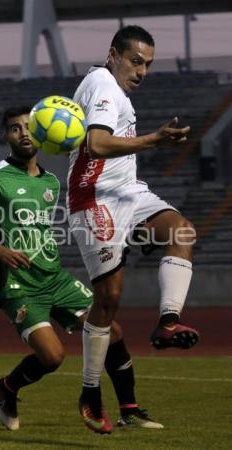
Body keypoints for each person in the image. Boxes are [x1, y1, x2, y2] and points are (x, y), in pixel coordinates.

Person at [0, 106, 163, 434]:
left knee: (113, 332)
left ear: (41, 133)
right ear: (6, 136)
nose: (23, 133)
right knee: (53, 357)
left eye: (29, 127)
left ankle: (130, 410)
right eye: (15, 128)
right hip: (19, 286)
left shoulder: (52, 181)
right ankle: (6, 388)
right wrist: (0, 249)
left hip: (56, 279)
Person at [67, 25, 199, 433]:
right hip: (94, 198)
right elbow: (98, 145)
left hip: (128, 193)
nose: (142, 70)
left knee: (181, 231)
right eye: (136, 61)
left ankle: (168, 321)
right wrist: (155, 140)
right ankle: (90, 392)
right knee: (109, 299)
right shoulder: (104, 84)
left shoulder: (114, 89)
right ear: (114, 55)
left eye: (148, 65)